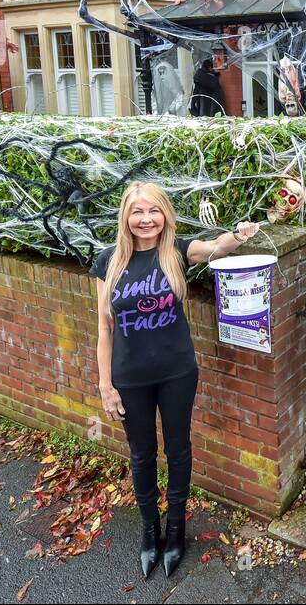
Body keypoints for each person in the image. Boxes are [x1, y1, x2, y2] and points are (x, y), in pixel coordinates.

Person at [90, 181, 259, 579]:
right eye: (137, 212)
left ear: (164, 214)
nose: (145, 219)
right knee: (142, 454)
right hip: (129, 377)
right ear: (126, 217)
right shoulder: (108, 261)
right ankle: (150, 532)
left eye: (153, 211)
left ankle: (177, 529)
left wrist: (239, 234)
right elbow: (103, 328)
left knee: (178, 451)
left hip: (177, 371)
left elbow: (217, 248)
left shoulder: (177, 252)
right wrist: (105, 384)